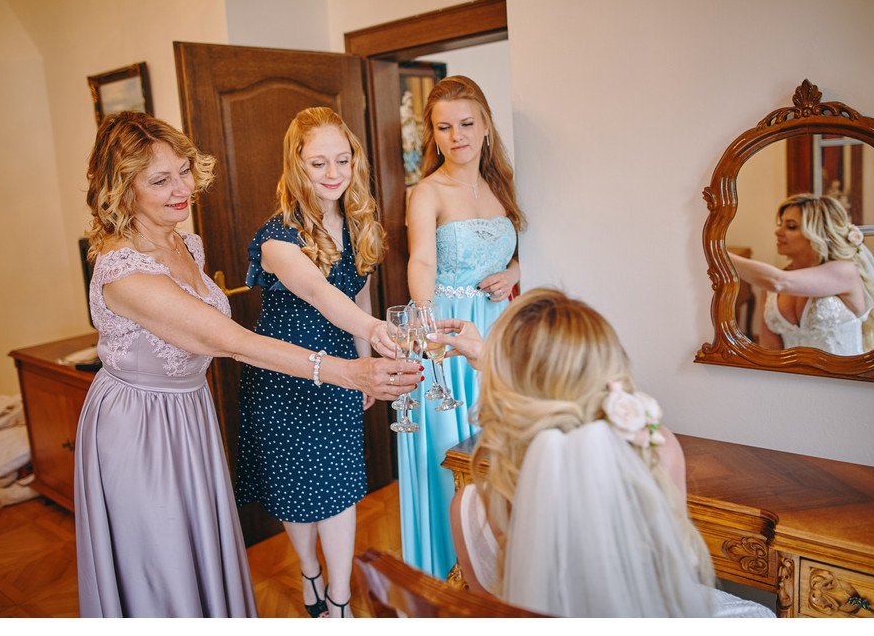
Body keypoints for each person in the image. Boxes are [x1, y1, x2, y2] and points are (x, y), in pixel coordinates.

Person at [74, 111, 419, 618]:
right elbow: (234, 341)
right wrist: (350, 368)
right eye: (160, 180)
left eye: (184, 172)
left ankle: (330, 602)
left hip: (189, 414)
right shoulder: (123, 271)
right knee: (161, 557)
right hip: (140, 426)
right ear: (122, 189)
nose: (181, 189)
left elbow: (351, 294)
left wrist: (363, 347)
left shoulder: (183, 241)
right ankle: (307, 581)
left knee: (203, 546)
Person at [433, 290, 774, 618]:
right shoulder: (657, 449)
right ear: (609, 371)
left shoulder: (468, 508)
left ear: (503, 388)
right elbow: (673, 576)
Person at [234, 107, 404, 618]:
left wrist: (365, 357)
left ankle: (338, 602)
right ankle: (308, 570)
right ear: (296, 166)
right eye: (317, 164)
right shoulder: (277, 237)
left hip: (341, 373)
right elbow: (322, 294)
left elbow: (361, 294)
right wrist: (372, 332)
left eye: (342, 160)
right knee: (294, 492)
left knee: (339, 490)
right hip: (283, 374)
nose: (333, 173)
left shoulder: (358, 224)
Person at [399, 75, 525, 579]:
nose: (458, 136)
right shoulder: (427, 191)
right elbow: (421, 262)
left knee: (498, 448)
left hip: (495, 328)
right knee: (450, 456)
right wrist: (427, 322)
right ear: (433, 134)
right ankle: (447, 576)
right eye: (445, 127)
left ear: (486, 125)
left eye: (467, 124)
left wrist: (515, 273)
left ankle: (502, 575)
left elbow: (519, 251)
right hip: (444, 330)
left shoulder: (501, 185)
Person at [729, 193, 874, 355]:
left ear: (818, 233)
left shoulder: (845, 271)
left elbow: (779, 282)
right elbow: (770, 349)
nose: (778, 232)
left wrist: (718, 252)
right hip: (792, 379)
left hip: (843, 378)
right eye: (781, 224)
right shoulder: (769, 285)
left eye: (791, 226)